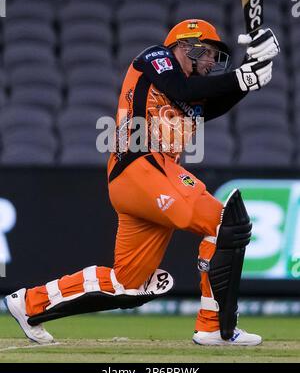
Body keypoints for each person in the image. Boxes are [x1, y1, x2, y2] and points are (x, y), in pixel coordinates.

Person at [4, 19, 279, 346]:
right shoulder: (155, 58)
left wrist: (251, 77)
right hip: (142, 164)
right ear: (185, 45)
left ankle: (29, 303)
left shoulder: (188, 92)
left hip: (141, 184)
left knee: (128, 283)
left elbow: (210, 102)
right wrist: (244, 76)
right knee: (225, 223)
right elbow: (187, 91)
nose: (210, 63)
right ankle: (215, 327)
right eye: (206, 54)